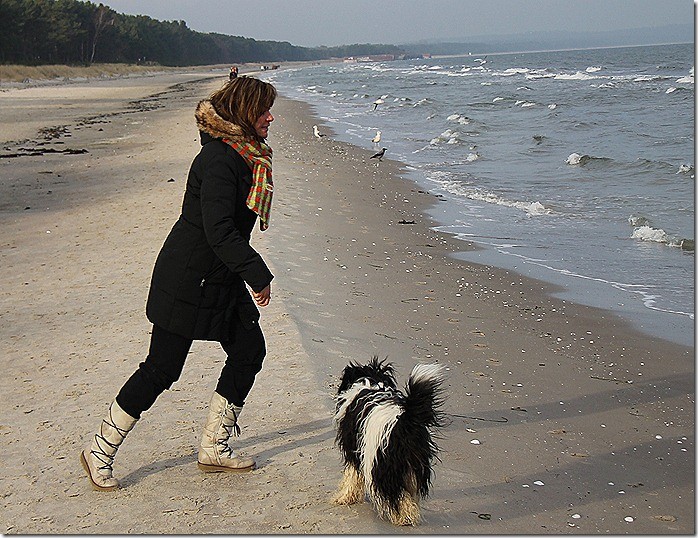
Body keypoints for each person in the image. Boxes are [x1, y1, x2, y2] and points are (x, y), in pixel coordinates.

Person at [80, 76, 277, 491]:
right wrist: (257, 274)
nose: (270, 117)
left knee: (249, 351)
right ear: (244, 112)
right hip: (187, 278)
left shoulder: (246, 156)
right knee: (162, 369)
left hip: (219, 277)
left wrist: (244, 273)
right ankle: (99, 449)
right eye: (263, 110)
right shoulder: (220, 162)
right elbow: (220, 230)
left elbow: (225, 236)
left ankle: (213, 448)